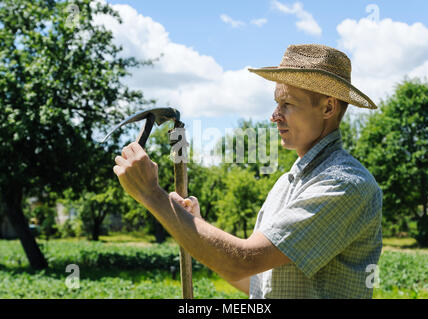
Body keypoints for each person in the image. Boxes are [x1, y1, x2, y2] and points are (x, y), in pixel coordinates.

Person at [113, 44, 383, 299]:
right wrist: (193, 224)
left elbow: (241, 263)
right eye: (277, 103)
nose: (274, 115)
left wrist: (152, 195)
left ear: (328, 107)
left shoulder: (344, 183)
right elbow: (256, 280)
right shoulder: (288, 183)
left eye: (287, 104)